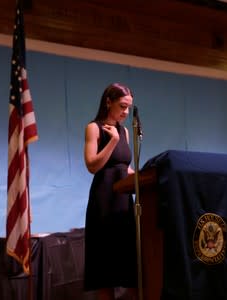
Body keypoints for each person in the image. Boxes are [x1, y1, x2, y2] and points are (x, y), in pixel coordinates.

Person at [83, 83, 137, 300]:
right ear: (108, 102)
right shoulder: (94, 128)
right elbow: (92, 165)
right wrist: (113, 140)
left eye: (128, 108)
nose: (125, 112)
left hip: (124, 203)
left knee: (130, 267)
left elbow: (124, 167)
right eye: (122, 106)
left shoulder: (124, 131)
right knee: (105, 270)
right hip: (104, 202)